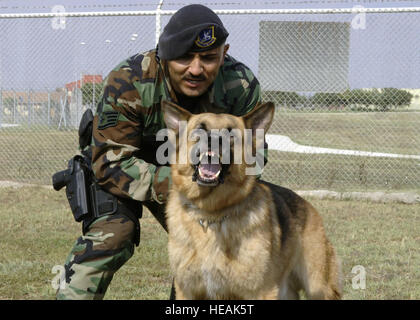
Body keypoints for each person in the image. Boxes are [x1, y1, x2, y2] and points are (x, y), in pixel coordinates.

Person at [56, 4, 263, 300]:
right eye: (183, 57)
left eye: (208, 57)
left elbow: (254, 158)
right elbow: (109, 162)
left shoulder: (239, 85)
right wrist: (185, 184)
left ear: (223, 52)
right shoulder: (129, 80)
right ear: (164, 53)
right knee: (114, 232)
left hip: (207, 180)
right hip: (124, 171)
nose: (196, 69)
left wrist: (222, 188)